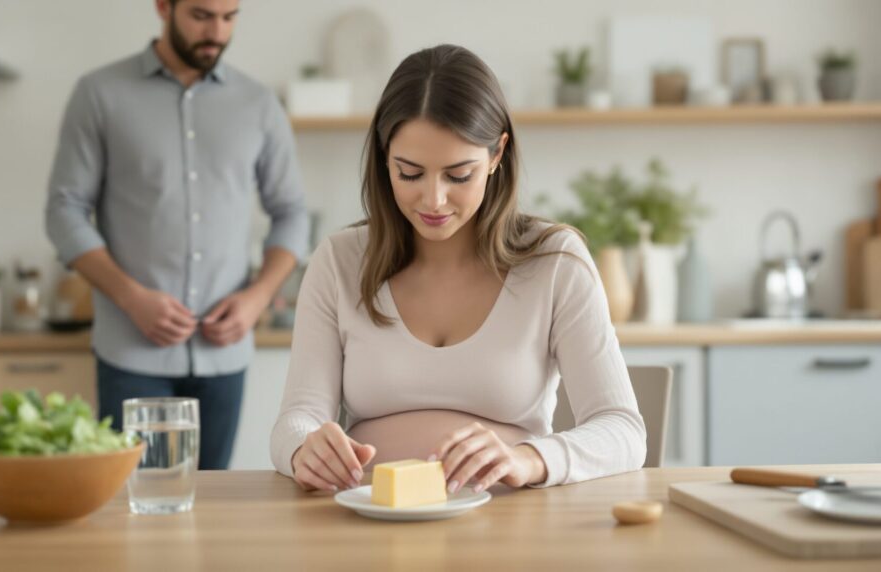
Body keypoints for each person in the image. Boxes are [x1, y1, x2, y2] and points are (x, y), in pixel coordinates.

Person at [270, 44, 644, 493]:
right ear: (384, 157)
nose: (433, 200)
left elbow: (623, 430)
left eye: (458, 175)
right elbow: (295, 419)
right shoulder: (339, 261)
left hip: (511, 529)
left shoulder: (555, 263)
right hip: (370, 527)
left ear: (496, 155)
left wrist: (529, 460)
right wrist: (302, 447)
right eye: (409, 174)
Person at [46, 0, 308, 470]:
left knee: (208, 512)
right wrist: (131, 298)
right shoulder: (100, 94)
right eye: (202, 15)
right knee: (131, 509)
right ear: (163, 7)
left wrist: (257, 298)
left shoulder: (258, 104)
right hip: (131, 354)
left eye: (230, 18)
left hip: (224, 354)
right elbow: (64, 211)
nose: (217, 32)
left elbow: (291, 213)